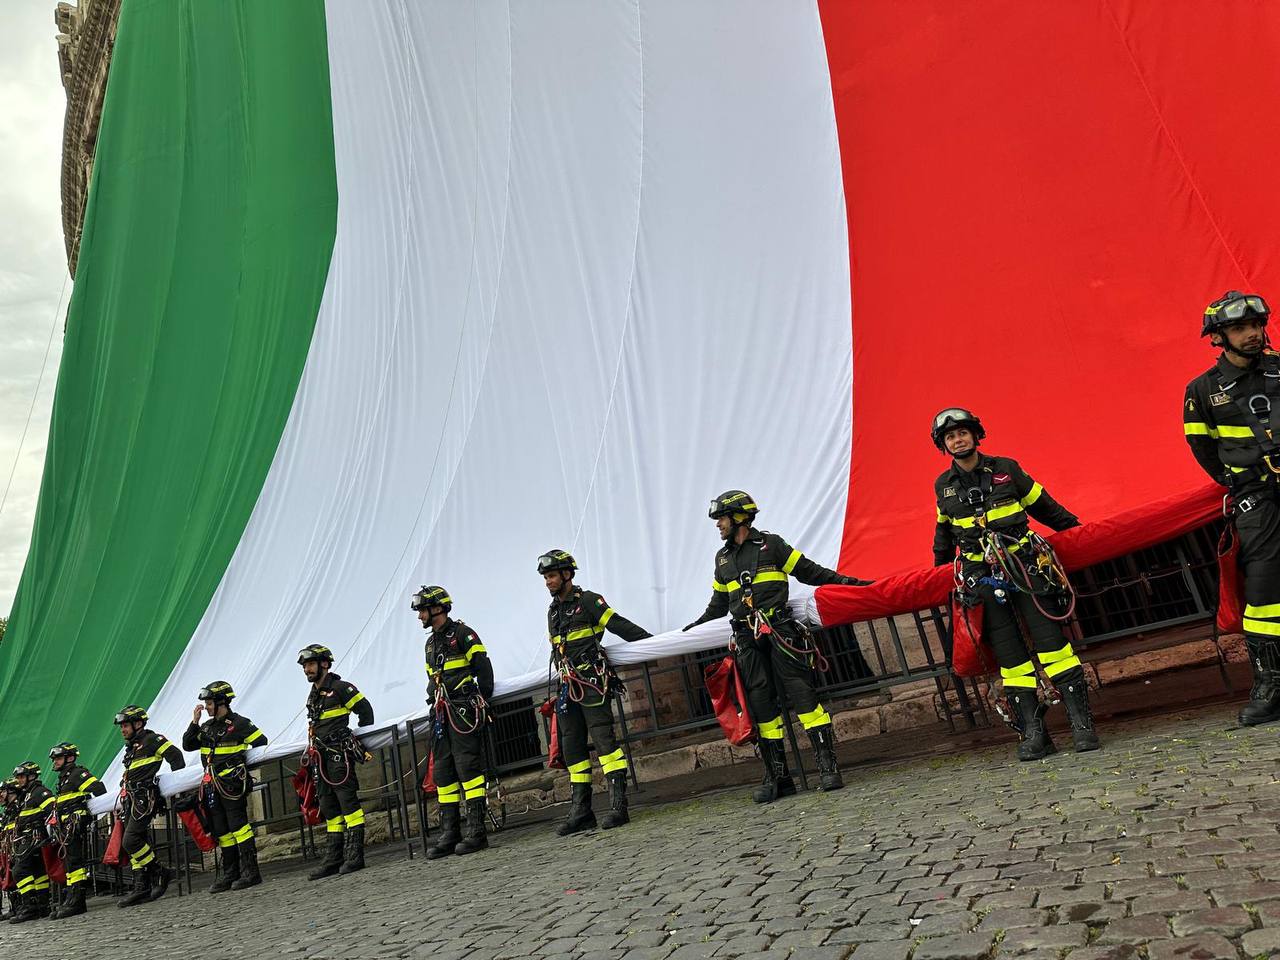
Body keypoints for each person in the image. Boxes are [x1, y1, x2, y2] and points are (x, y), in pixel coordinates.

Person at [930, 407, 1099, 758]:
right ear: (944, 445)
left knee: (1054, 647)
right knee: (1012, 660)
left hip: (1026, 572)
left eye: (963, 432)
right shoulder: (943, 488)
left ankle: (1082, 727)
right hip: (983, 582)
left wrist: (1083, 535)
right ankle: (1035, 734)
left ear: (976, 435)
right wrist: (938, 574)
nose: (958, 439)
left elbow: (1046, 507)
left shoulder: (1007, 468)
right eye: (950, 436)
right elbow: (943, 535)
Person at [683, 492, 870, 800]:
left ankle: (827, 768)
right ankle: (778, 778)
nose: (718, 525)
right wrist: (693, 626)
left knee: (802, 693)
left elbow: (809, 571)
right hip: (746, 637)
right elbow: (718, 604)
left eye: (722, 518)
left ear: (739, 517)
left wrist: (848, 583)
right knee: (761, 704)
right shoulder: (722, 558)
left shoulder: (772, 545)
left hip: (779, 629)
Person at [1183, 291, 1280, 725]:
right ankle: (1270, 685)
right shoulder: (1202, 390)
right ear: (1219, 336)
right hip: (1256, 498)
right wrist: (1235, 480)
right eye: (1242, 328)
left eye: (1257, 326)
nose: (1253, 334)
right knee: (1262, 594)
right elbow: (1200, 445)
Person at [540, 549, 651, 834]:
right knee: (571, 745)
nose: (548, 582)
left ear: (566, 574)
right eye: (546, 577)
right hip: (567, 686)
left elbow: (617, 624)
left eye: (551, 575)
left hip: (592, 682)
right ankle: (581, 810)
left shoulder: (588, 600)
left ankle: (618, 805)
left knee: (604, 739)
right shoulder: (553, 610)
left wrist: (653, 643)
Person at [412, 586, 495, 858]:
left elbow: (484, 671)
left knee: (467, 766)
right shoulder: (430, 643)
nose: (420, 616)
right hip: (440, 714)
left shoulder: (463, 634)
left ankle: (476, 832)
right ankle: (450, 832)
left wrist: (480, 704)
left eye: (423, 610)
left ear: (438, 608)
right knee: (443, 772)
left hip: (462, 710)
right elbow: (431, 678)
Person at [182, 681, 269, 892]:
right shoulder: (207, 727)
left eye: (210, 703)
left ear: (222, 702)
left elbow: (261, 742)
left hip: (231, 785)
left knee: (238, 825)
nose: (207, 707)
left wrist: (240, 764)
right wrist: (195, 722)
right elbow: (188, 744)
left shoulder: (240, 724)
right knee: (221, 830)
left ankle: (251, 871)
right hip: (212, 786)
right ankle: (231, 873)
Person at [298, 644, 375, 879]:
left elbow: (366, 711)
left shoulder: (342, 688)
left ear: (324, 664)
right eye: (304, 666)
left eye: (310, 664)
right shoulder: (314, 693)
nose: (306, 670)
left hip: (338, 754)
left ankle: (355, 855)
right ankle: (334, 857)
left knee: (347, 801)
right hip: (319, 757)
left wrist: (357, 741)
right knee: (328, 805)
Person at [114, 704, 186, 907]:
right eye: (121, 726)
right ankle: (141, 887)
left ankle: (160, 871)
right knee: (136, 842)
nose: (122, 730)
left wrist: (177, 787)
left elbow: (176, 756)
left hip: (144, 798)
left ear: (138, 723)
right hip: (130, 798)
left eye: (125, 725)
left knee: (130, 840)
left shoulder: (153, 739)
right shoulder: (132, 747)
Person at [48, 742, 106, 918]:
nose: (55, 762)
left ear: (70, 758)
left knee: (75, 861)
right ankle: (72, 897)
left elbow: (99, 789)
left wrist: (85, 814)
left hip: (74, 824)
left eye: (58, 758)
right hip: (65, 827)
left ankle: (78, 901)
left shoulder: (77, 773)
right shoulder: (65, 778)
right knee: (69, 862)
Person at [7, 761, 54, 923]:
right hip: (28, 837)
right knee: (37, 871)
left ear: (31, 776)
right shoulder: (27, 794)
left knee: (19, 871)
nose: (19, 780)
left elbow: (52, 810)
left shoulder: (40, 792)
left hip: (35, 836)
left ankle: (30, 906)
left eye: (21, 776)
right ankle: (42, 905)